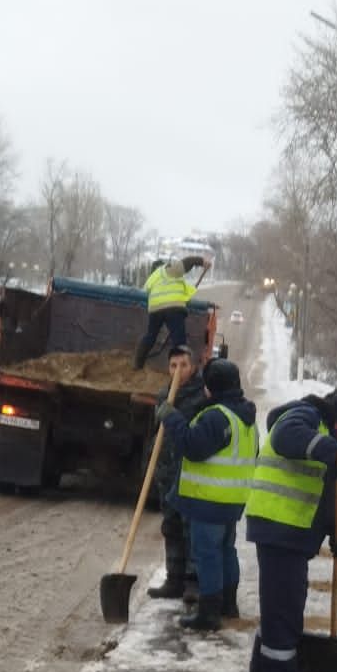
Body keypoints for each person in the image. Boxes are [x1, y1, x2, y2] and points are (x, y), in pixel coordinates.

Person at [244, 387, 337, 672]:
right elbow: (285, 436)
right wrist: (331, 450)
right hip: (278, 526)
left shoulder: (327, 438)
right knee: (284, 614)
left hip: (289, 533)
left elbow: (329, 494)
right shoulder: (305, 416)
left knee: (279, 610)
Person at [156, 359, 258, 631]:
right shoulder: (245, 418)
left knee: (207, 554)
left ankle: (209, 613)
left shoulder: (217, 416)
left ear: (212, 387)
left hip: (209, 501)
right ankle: (228, 604)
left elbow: (192, 446)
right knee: (226, 551)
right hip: (232, 501)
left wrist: (170, 416)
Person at [146, 344, 206, 602]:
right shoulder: (163, 396)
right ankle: (174, 579)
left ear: (192, 367)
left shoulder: (201, 397)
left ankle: (193, 583)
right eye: (173, 366)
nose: (178, 371)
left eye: (183, 365)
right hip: (167, 472)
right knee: (170, 526)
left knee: (189, 528)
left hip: (190, 474)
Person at [134, 255, 209, 368]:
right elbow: (187, 262)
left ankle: (137, 365)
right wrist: (202, 261)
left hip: (155, 309)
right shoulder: (167, 270)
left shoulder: (152, 279)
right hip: (173, 308)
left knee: (150, 336)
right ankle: (180, 371)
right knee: (179, 341)